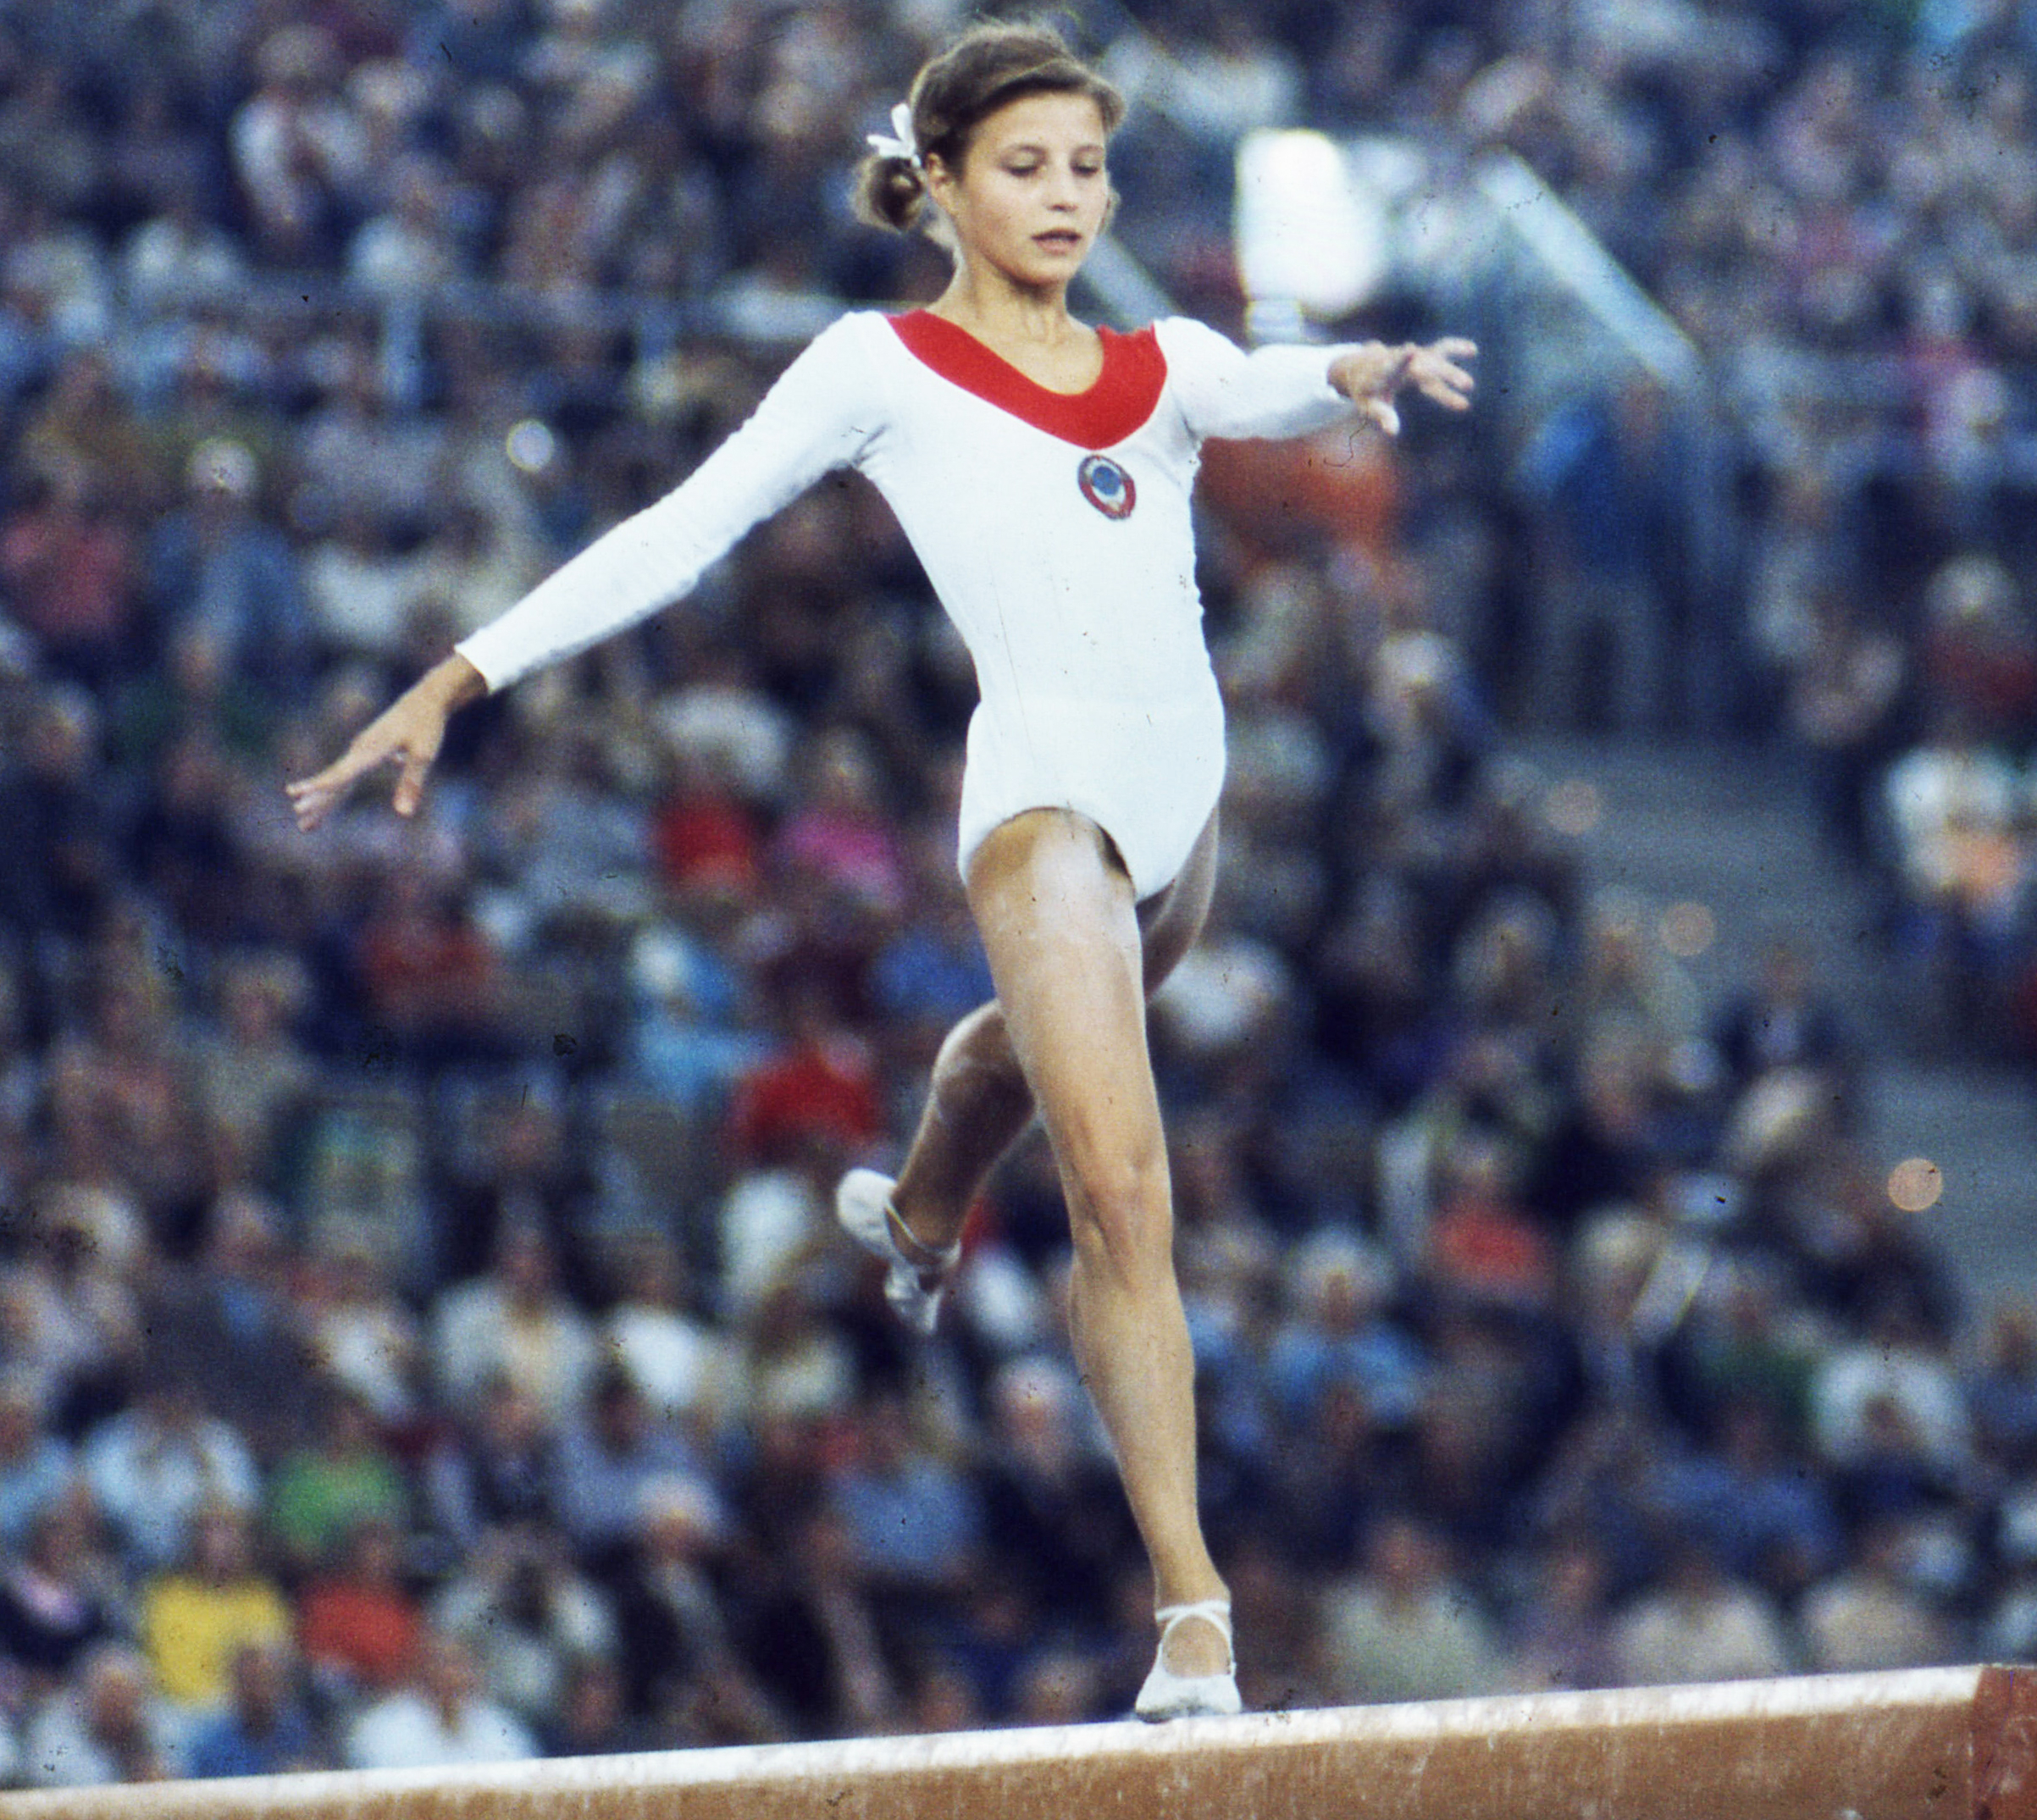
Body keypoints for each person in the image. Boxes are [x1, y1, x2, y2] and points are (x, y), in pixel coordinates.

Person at [289, 20, 1473, 1721]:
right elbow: (678, 531)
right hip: (1044, 789)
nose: (1066, 197)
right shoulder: (879, 366)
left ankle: (920, 1202)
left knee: (1046, 1048)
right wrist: (455, 678)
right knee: (1122, 1188)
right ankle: (1192, 1611)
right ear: (940, 186)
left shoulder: (1158, 363)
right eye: (1026, 167)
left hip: (1179, 791)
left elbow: (1267, 383)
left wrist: (1361, 365)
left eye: (1086, 166)